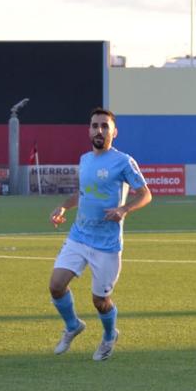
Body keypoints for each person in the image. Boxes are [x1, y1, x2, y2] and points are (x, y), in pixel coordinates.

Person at [48, 108, 152, 361]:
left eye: (105, 126)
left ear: (114, 132)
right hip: (78, 236)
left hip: (106, 244)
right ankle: (73, 326)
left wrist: (124, 209)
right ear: (88, 130)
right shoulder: (85, 159)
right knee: (56, 286)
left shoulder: (123, 161)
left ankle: (108, 336)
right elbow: (82, 193)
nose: (99, 130)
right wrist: (63, 206)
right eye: (95, 125)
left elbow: (146, 194)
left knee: (100, 300)